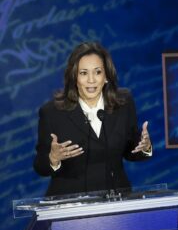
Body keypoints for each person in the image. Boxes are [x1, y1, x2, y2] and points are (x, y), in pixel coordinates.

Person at [33, 42, 152, 197]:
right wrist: (53, 158)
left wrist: (145, 147)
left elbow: (131, 151)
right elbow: (40, 166)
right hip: (70, 206)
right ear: (74, 77)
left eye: (97, 72)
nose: (91, 80)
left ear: (106, 76)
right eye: (83, 73)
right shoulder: (52, 113)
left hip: (116, 201)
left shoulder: (123, 103)